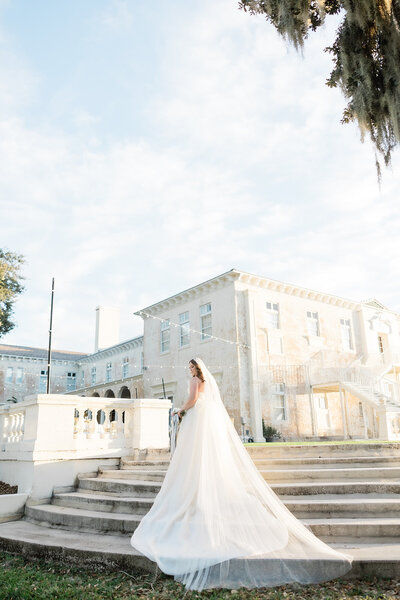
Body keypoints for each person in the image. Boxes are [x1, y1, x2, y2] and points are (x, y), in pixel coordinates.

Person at [130, 357, 352, 591]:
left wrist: (180, 410)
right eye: (189, 368)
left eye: (191, 367)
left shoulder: (194, 381)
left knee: (194, 454)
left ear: (196, 368)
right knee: (202, 453)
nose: (190, 370)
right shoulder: (206, 383)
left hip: (196, 417)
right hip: (204, 418)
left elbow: (193, 400)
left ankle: (193, 491)